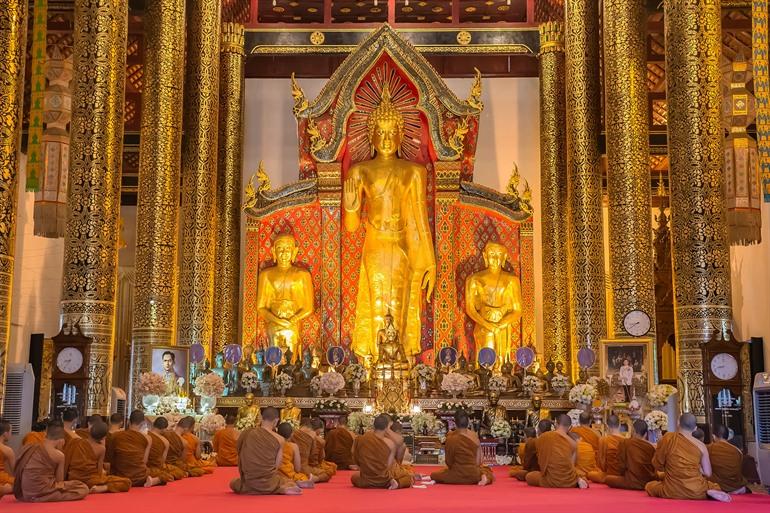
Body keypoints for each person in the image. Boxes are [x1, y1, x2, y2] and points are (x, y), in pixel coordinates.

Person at [343, 83, 436, 368]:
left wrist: (429, 261)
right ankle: (373, 363)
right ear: (370, 135)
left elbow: (420, 219)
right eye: (380, 132)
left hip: (401, 245)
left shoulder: (414, 172)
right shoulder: (360, 171)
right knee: (376, 302)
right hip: (375, 244)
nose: (386, 138)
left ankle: (400, 362)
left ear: (401, 134)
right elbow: (351, 227)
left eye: (391, 132)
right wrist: (351, 206)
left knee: (398, 302)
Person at [645, 413, 730, 502]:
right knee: (714, 486)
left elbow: (657, 464)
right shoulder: (701, 446)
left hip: (672, 490)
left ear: (678, 423)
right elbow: (708, 473)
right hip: (696, 491)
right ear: (695, 428)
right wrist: (698, 468)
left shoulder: (668, 438)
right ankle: (709, 492)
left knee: (649, 486)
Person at [256, 234, 315, 357]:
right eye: (280, 249)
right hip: (273, 323)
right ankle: (273, 367)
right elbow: (260, 307)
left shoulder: (302, 275)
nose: (284, 253)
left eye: (288, 249)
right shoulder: (266, 275)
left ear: (294, 252)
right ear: (273, 251)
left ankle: (292, 366)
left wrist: (293, 319)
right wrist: (278, 320)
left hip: (293, 323)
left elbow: (309, 307)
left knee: (291, 351)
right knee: (273, 354)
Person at [230, 407, 302, 495]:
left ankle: (258, 489)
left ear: (261, 418)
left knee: (233, 483)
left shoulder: (246, 433)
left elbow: (239, 453)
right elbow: (277, 465)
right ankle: (279, 489)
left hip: (249, 481)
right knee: (288, 482)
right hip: (268, 482)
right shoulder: (279, 439)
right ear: (276, 421)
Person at [13, 421, 89, 502]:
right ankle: (40, 497)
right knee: (83, 488)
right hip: (42, 492)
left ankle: (37, 496)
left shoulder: (31, 447)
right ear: (61, 441)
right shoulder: (59, 455)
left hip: (26, 492)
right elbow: (60, 482)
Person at [63, 421, 131, 493]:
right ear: (104, 437)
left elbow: (67, 462)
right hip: (90, 481)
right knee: (126, 482)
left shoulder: (76, 442)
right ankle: (104, 488)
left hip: (73, 479)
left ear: (89, 431)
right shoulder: (101, 449)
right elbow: (99, 471)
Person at [350, 414, 414, 489]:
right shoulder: (390, 443)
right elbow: (389, 466)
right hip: (384, 480)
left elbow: (355, 458)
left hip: (367, 479)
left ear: (374, 426)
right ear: (386, 427)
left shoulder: (361, 439)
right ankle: (396, 483)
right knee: (408, 478)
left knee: (354, 477)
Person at [431, 411, 494, 486]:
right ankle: (484, 476)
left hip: (456, 475)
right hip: (473, 475)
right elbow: (479, 460)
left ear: (455, 423)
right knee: (487, 470)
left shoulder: (451, 437)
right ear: (468, 422)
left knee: (434, 475)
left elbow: (449, 462)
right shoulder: (474, 435)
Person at [526, 414, 588, 489]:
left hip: (550, 480)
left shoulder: (544, 436)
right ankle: (578, 479)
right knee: (578, 474)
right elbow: (572, 466)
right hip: (569, 482)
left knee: (529, 476)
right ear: (570, 427)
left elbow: (540, 461)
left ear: (555, 423)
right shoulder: (573, 443)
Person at [106, 410, 163, 487]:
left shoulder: (115, 435)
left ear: (128, 421)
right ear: (142, 424)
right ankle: (154, 481)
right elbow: (144, 461)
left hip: (120, 475)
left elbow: (110, 458)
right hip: (139, 476)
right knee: (165, 475)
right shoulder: (148, 438)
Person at [605, 419, 656, 490]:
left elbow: (621, 466)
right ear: (645, 434)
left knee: (608, 479)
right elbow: (654, 467)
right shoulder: (651, 447)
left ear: (633, 431)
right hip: (647, 482)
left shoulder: (625, 443)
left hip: (630, 481)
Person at [708, 424, 749, 494]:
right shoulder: (737, 451)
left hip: (718, 485)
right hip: (735, 485)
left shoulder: (709, 448)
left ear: (713, 436)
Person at [290, 418, 332, 483]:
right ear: (311, 428)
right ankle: (315, 479)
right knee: (327, 473)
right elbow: (314, 459)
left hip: (290, 467)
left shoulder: (292, 434)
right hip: (304, 468)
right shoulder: (313, 436)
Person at [276, 422, 316, 486]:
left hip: (276, 473)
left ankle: (285, 482)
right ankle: (293, 482)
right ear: (292, 434)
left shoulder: (275, 443)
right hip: (289, 473)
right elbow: (297, 468)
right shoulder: (294, 446)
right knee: (303, 477)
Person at [148, 417, 183, 482]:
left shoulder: (145, 435)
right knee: (179, 472)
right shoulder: (165, 441)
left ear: (153, 424)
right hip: (156, 468)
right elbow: (162, 461)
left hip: (145, 467)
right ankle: (157, 479)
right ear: (164, 429)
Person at [597, 415, 624, 479]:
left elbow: (601, 463)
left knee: (590, 474)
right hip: (622, 476)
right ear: (620, 425)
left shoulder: (603, 440)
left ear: (607, 426)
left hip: (607, 474)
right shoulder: (626, 441)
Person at [0, 420, 15, 495]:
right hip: (1, 478)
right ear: (5, 434)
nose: (11, 434)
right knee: (20, 484)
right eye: (10, 432)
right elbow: (15, 471)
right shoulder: (7, 450)